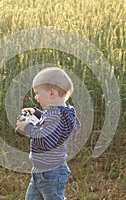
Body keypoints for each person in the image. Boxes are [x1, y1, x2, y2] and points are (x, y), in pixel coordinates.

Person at [16, 67, 81, 200]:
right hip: (42, 171)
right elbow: (53, 124)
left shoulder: (56, 116)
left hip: (51, 173)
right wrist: (37, 113)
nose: (36, 97)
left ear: (52, 93)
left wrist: (27, 127)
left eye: (38, 93)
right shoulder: (63, 111)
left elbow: (46, 140)